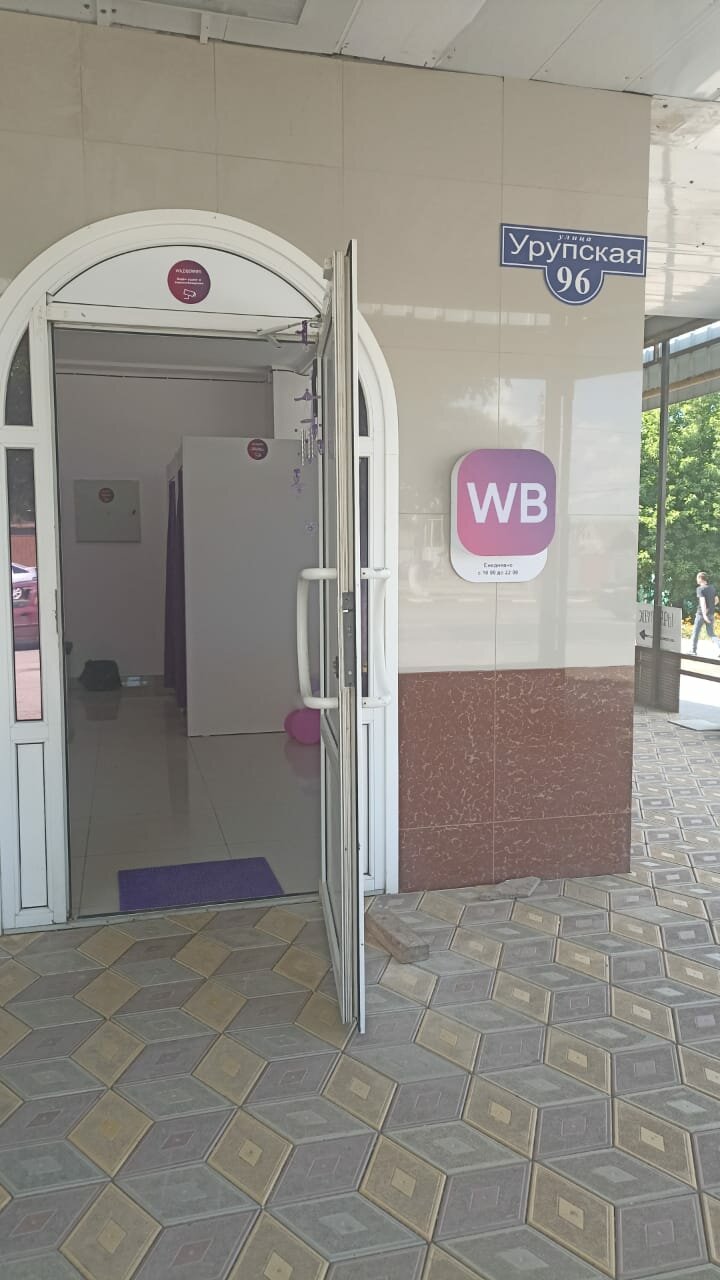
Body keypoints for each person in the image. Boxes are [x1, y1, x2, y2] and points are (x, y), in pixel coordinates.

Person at [691, 571, 720, 655]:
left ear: (701, 578)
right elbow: (717, 600)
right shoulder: (712, 588)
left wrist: (704, 615)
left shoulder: (700, 589)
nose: (696, 579)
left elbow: (702, 602)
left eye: (697, 578)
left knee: (696, 633)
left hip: (701, 614)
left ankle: (693, 651)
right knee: (711, 634)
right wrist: (709, 608)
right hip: (711, 614)